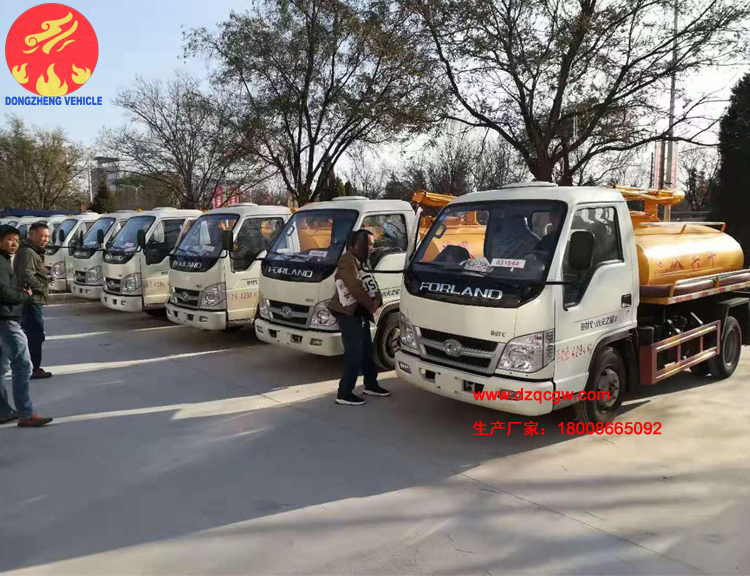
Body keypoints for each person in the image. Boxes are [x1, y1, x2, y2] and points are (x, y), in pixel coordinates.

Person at [327, 229, 391, 406]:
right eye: (368, 244)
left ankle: (371, 384)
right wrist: (371, 305)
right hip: (348, 314)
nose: (372, 247)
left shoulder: (362, 260)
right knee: (354, 354)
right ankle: (344, 393)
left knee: (367, 352)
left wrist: (378, 299)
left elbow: (371, 282)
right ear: (356, 244)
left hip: (360, 313)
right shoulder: (347, 260)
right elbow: (355, 286)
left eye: (372, 244)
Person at [0, 225, 53, 427]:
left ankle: (4, 411)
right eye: (9, 239)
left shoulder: (5, 259)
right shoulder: (2, 261)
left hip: (6, 316)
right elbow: (5, 291)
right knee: (23, 365)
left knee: (1, 366)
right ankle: (25, 413)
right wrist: (25, 295)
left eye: (16, 239)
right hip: (6, 317)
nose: (14, 243)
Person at [15, 222, 52, 379]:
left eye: (47, 236)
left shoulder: (32, 251)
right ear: (31, 235)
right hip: (31, 300)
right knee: (35, 334)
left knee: (32, 333)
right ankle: (33, 368)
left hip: (33, 299)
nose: (45, 240)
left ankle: (31, 367)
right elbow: (26, 276)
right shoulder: (28, 252)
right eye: (42, 236)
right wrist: (42, 286)